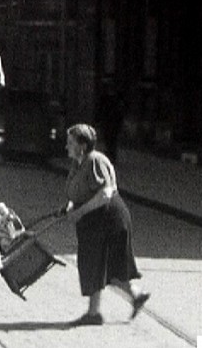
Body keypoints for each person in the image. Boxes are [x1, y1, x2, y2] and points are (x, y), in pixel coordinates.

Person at [58, 123, 150, 326]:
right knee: (98, 264)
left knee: (100, 263)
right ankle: (133, 296)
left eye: (70, 142)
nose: (66, 146)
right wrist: (71, 206)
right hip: (93, 219)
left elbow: (106, 193)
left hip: (108, 218)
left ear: (82, 145)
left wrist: (80, 211)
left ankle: (94, 313)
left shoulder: (95, 160)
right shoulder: (78, 162)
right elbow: (81, 191)